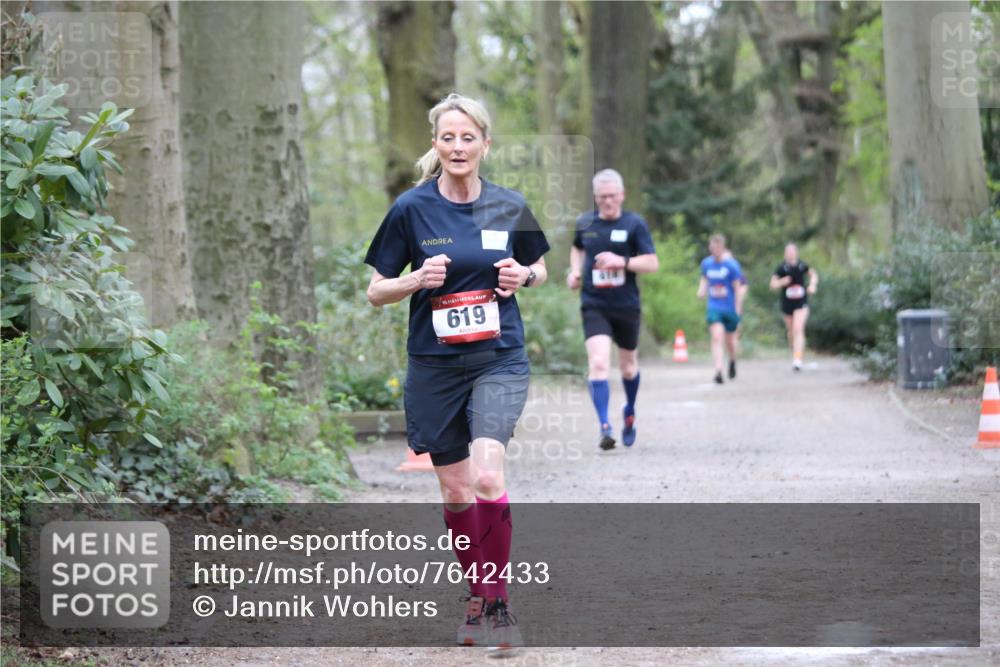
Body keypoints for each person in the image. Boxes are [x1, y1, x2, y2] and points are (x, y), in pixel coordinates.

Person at [364, 93, 549, 651]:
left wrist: (527, 277)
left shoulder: (509, 205)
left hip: (498, 358)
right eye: (448, 137)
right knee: (455, 491)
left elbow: (538, 265)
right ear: (436, 145)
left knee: (488, 476)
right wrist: (416, 279)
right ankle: (476, 592)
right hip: (435, 367)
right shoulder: (411, 209)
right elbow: (376, 291)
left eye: (469, 137)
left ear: (485, 144)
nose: (458, 146)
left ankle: (499, 602)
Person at [567, 169, 658, 450]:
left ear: (622, 195)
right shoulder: (585, 223)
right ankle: (604, 426)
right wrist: (575, 272)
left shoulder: (634, 224)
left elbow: (652, 263)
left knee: (629, 367)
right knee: (598, 363)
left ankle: (629, 409)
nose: (607, 202)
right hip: (594, 304)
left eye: (612, 196)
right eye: (602, 197)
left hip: (626, 305)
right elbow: (577, 249)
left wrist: (623, 262)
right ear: (595, 197)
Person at [698, 234, 745, 384]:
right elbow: (705, 279)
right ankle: (718, 370)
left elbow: (738, 289)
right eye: (711, 247)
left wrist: (738, 310)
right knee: (717, 337)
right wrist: (701, 290)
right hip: (714, 307)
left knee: (730, 342)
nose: (714, 250)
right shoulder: (706, 264)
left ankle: (732, 360)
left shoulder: (732, 266)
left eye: (717, 247)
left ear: (722, 248)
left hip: (729, 308)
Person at [769, 243, 818, 371]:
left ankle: (798, 359)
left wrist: (812, 285)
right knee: (791, 332)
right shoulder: (781, 268)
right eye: (788, 251)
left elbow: (813, 275)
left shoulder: (802, 265)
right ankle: (795, 352)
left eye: (792, 251)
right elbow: (772, 284)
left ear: (796, 252)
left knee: (798, 329)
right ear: (785, 253)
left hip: (801, 302)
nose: (790, 253)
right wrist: (781, 282)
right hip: (787, 303)